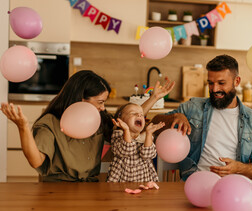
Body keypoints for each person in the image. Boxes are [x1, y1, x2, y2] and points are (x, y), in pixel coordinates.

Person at [1, 70, 174, 182]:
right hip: (57, 189)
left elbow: (130, 123)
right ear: (81, 99)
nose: (103, 107)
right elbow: (36, 160)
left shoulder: (99, 119)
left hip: (91, 185)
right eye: (99, 102)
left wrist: (153, 98)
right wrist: (23, 127)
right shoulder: (50, 123)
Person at [152, 55, 252, 181]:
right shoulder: (193, 107)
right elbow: (154, 124)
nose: (215, 89)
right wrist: (175, 117)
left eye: (221, 83)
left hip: (232, 186)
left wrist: (238, 168)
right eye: (210, 83)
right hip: (195, 182)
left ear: (236, 81)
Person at [107, 103, 164, 182]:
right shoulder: (118, 135)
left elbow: (147, 155)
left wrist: (149, 133)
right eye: (133, 113)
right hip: (121, 182)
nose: (139, 115)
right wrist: (126, 130)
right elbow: (127, 151)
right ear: (121, 120)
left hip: (144, 180)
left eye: (141, 114)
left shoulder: (145, 136)